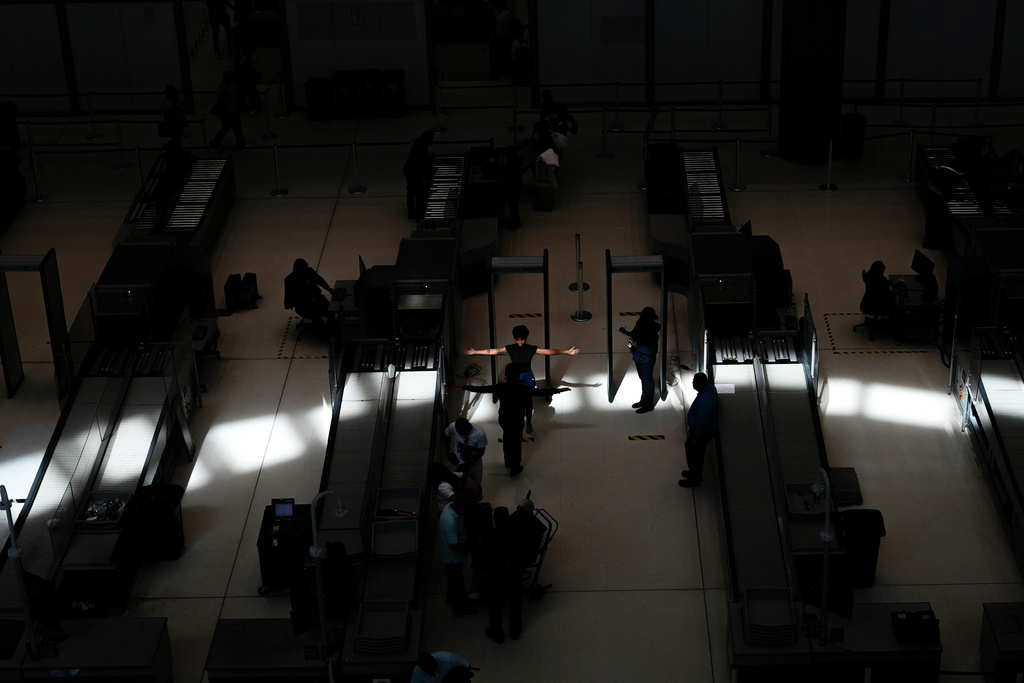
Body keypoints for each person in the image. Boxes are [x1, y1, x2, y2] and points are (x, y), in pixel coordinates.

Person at [457, 365, 570, 476]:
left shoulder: (501, 387)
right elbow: (540, 392)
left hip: (504, 418)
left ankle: (507, 460)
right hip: (517, 419)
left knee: (507, 438)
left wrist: (463, 386)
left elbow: (482, 389)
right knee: (516, 443)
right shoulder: (523, 389)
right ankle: (515, 467)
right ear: (519, 375)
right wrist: (558, 390)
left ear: (506, 375)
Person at [463, 325, 579, 432]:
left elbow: (548, 351)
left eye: (522, 339)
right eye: (517, 339)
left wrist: (566, 352)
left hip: (527, 376)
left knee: (528, 402)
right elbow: (494, 351)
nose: (519, 342)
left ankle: (528, 422)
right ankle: (518, 418)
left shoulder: (531, 349)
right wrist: (475, 352)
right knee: (514, 400)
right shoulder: (510, 348)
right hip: (515, 377)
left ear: (525, 338)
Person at [679, 372, 719, 488]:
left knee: (695, 455)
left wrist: (696, 437)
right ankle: (693, 473)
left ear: (700, 384)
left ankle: (694, 479)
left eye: (694, 382)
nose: (692, 384)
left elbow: (702, 423)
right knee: (694, 453)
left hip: (702, 433)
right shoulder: (710, 389)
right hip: (706, 429)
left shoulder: (704, 403)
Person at [438, 500, 477, 616]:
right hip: (452, 558)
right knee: (458, 582)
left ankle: (451, 597)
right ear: (460, 508)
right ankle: (460, 607)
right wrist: (472, 548)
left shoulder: (450, 506)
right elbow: (454, 545)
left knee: (452, 578)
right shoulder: (450, 522)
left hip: (449, 556)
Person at [619, 306, 660, 413]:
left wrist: (637, 346)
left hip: (646, 360)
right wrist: (626, 332)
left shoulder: (651, 331)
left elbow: (652, 350)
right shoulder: (640, 323)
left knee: (647, 381)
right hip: (639, 357)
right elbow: (634, 334)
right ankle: (644, 400)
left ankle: (648, 404)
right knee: (644, 380)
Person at [283, 258, 336, 331]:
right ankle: (322, 331)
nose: (306, 270)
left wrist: (330, 289)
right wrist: (313, 301)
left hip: (316, 298)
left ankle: (333, 328)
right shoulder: (291, 281)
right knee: (317, 314)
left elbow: (319, 280)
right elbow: (297, 299)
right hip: (303, 305)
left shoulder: (309, 271)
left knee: (330, 309)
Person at [443, 418, 487, 492]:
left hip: (474, 465)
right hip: (457, 463)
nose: (459, 434)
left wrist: (466, 464)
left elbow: (481, 452)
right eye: (458, 433)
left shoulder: (479, 434)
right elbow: (446, 435)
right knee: (456, 485)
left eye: (461, 433)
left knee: (475, 486)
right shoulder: (453, 426)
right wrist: (447, 452)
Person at [536, 89, 579, 160]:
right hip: (557, 136)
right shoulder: (559, 108)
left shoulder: (544, 113)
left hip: (553, 136)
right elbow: (571, 124)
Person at [209, 69, 246, 151]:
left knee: (230, 129)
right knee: (230, 129)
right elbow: (221, 101)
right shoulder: (224, 88)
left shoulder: (228, 87)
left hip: (231, 112)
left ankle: (215, 142)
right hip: (228, 113)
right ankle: (215, 142)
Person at [403, 130, 434, 220]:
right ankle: (416, 213)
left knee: (412, 191)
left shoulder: (419, 145)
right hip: (412, 172)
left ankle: (412, 212)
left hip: (410, 171)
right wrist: (425, 178)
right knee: (417, 192)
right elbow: (422, 165)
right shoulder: (421, 148)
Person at [235, 45, 262, 115]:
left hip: (251, 76)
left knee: (251, 92)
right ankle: (256, 105)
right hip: (251, 75)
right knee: (252, 91)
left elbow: (251, 67)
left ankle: (254, 107)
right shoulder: (251, 55)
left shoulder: (250, 56)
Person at [159, 85, 187, 151]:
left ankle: (172, 148)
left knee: (177, 138)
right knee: (177, 138)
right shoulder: (172, 103)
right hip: (175, 123)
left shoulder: (169, 102)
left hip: (174, 123)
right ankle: (173, 149)